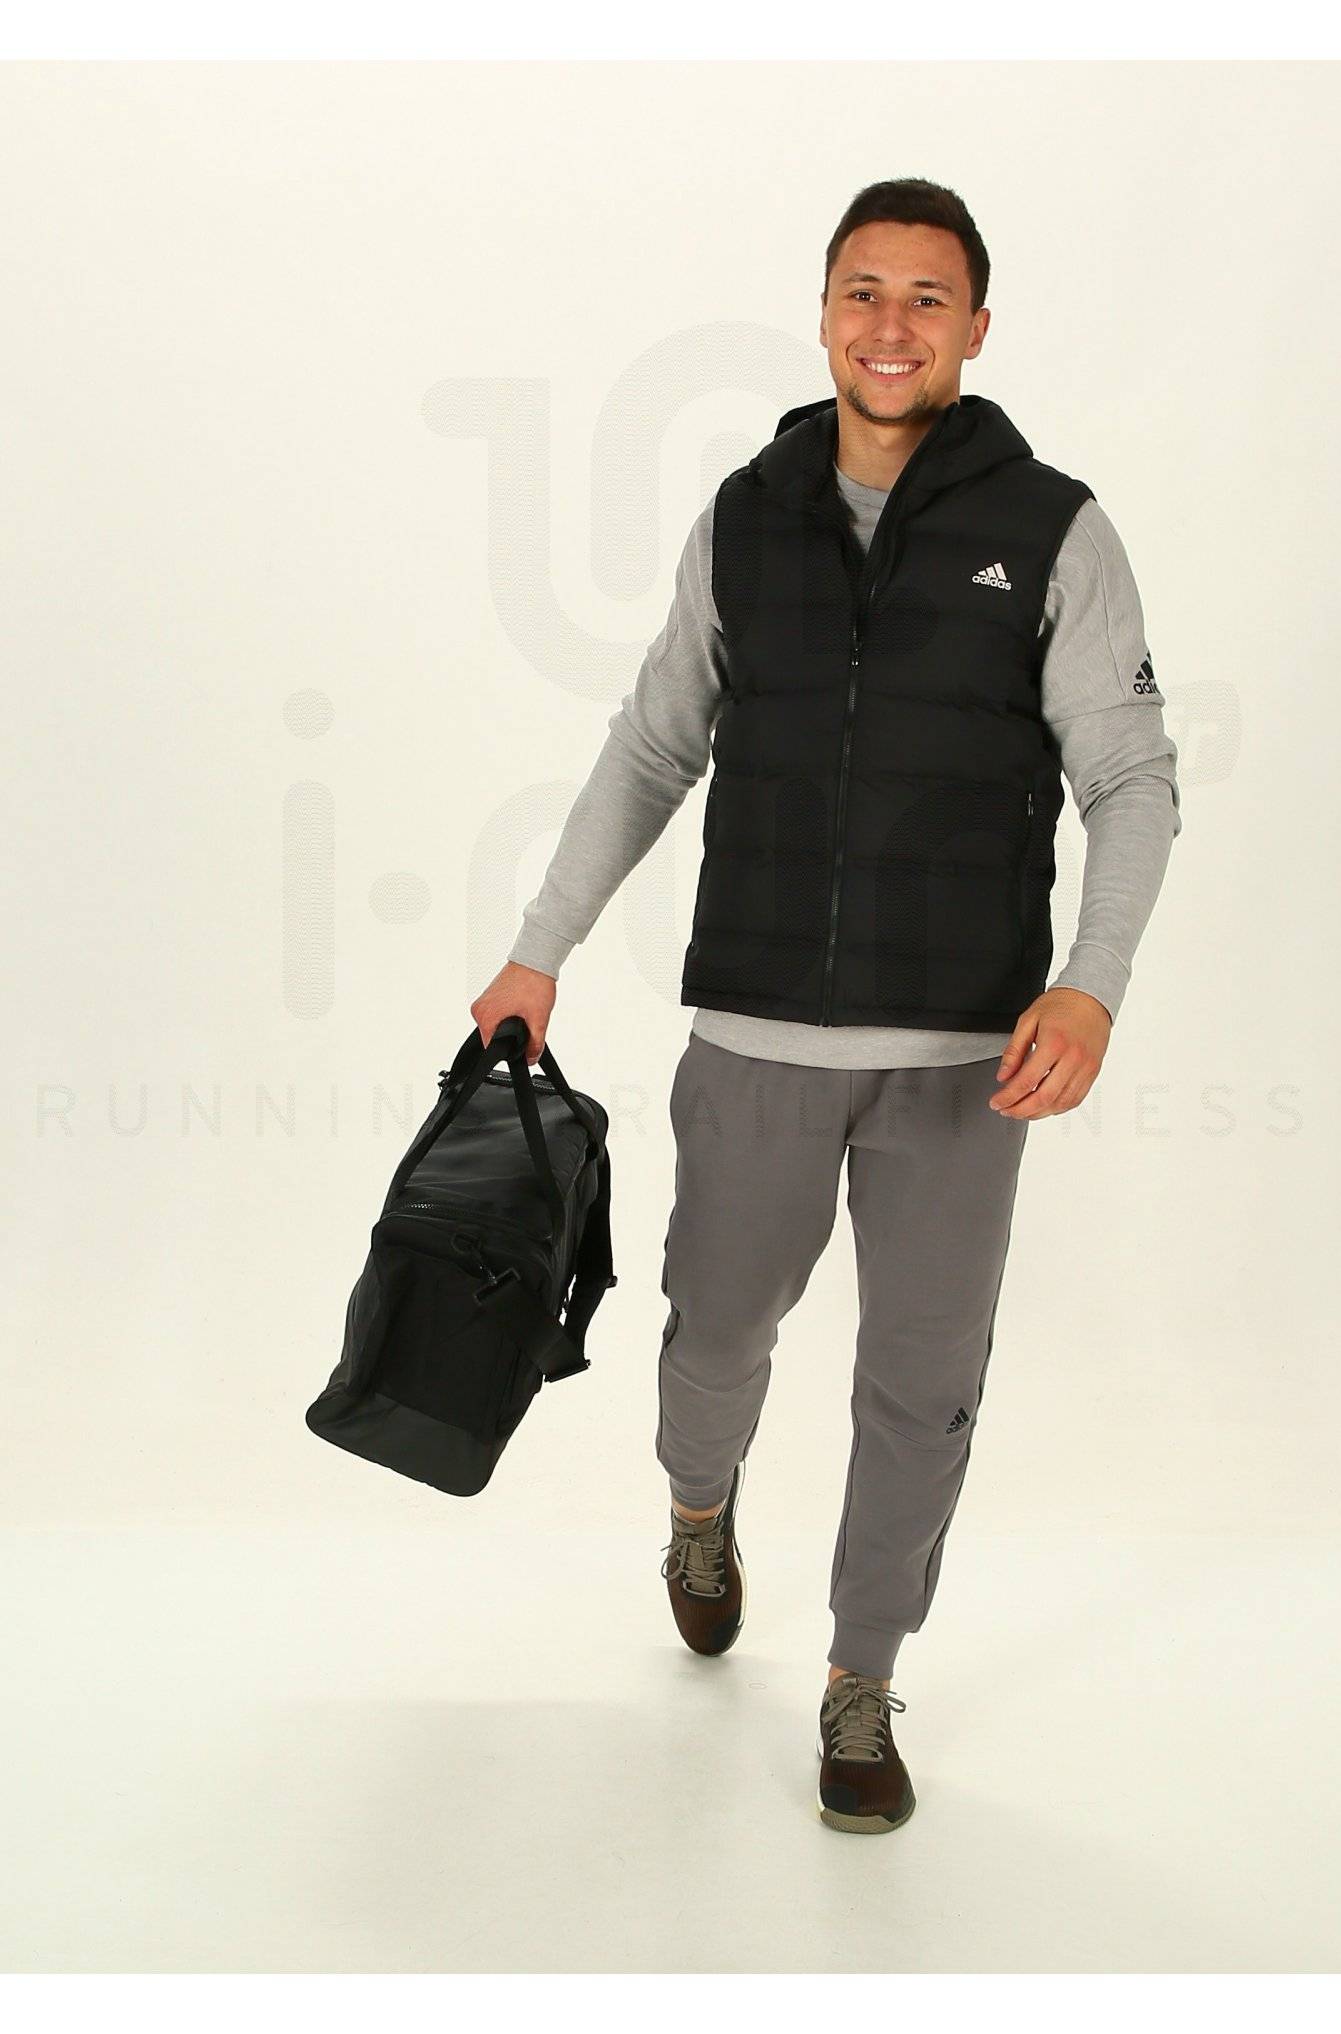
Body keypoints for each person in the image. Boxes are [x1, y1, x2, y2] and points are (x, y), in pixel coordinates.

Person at [470, 178, 1182, 1836]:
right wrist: (539, 945)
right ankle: (698, 1508)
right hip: (758, 1036)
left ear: (977, 327)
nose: (890, 324)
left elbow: (1131, 778)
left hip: (966, 1056)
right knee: (714, 1330)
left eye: (927, 297)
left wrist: (1090, 985)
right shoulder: (747, 516)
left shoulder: (1056, 528)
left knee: (923, 1383)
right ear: (822, 313)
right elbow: (656, 743)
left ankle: (864, 1675)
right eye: (863, 290)